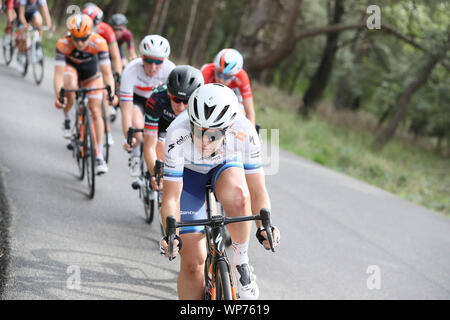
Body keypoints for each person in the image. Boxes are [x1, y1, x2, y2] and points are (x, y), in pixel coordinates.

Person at [159, 83, 281, 300]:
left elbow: (257, 189)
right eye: (197, 131)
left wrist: (266, 226)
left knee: (239, 196)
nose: (204, 141)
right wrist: (172, 233)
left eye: (213, 135)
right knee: (193, 263)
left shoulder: (245, 132)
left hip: (224, 166)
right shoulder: (176, 133)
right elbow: (171, 196)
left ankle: (241, 262)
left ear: (229, 128)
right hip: (189, 175)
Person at [53, 14, 118, 174]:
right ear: (70, 36)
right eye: (76, 39)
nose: (80, 43)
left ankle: (99, 155)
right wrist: (59, 96)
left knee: (96, 111)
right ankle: (68, 119)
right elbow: (58, 75)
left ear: (90, 34)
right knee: (69, 86)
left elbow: (107, 73)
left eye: (84, 38)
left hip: (91, 74)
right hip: (72, 71)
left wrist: (111, 93)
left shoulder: (99, 43)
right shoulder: (63, 44)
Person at [120, 34, 175, 179]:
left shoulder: (171, 71)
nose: (153, 66)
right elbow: (126, 110)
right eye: (148, 60)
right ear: (141, 57)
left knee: (160, 140)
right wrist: (128, 136)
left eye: (158, 62)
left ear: (165, 60)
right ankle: (136, 156)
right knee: (137, 129)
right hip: (138, 100)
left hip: (160, 104)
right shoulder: (131, 70)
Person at [142, 65, 203, 189]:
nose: (181, 107)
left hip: (187, 128)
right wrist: (156, 175)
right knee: (161, 144)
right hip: (162, 126)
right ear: (169, 94)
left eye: (186, 101)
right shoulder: (157, 99)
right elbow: (149, 147)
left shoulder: (201, 103)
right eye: (176, 99)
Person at [83, 3, 123, 145]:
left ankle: (106, 130)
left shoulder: (106, 31)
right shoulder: (78, 27)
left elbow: (116, 56)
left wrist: (117, 75)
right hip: (84, 61)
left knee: (104, 95)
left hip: (101, 61)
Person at [201, 48, 255, 125]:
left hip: (232, 97)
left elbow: (249, 112)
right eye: (218, 73)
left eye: (227, 77)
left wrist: (252, 133)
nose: (221, 80)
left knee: (241, 113)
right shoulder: (207, 71)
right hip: (210, 96)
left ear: (235, 74)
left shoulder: (242, 77)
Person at [16, 0, 54, 73]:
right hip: (22, 15)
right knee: (23, 38)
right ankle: (20, 56)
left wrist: (49, 25)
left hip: (32, 14)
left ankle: (37, 44)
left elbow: (46, 12)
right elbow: (21, 15)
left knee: (39, 23)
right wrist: (25, 24)